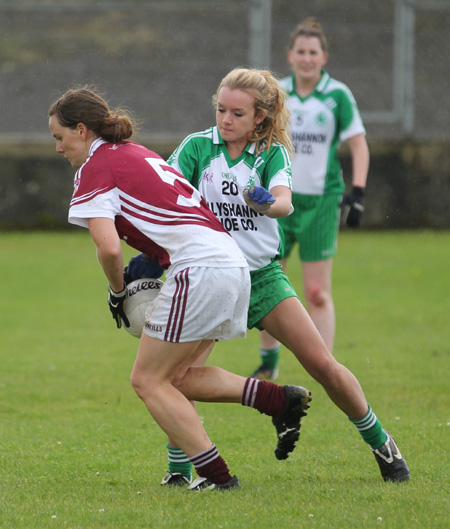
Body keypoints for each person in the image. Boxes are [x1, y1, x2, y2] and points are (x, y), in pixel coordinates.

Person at [48, 87, 312, 492]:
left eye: (59, 137)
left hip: (200, 270)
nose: (57, 148)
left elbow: (108, 247)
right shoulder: (138, 153)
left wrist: (119, 291)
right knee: (177, 377)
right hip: (230, 263)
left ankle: (217, 477)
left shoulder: (94, 167)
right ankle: (277, 400)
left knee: (147, 381)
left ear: (81, 130)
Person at [163, 67, 409, 484]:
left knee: (322, 365)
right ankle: (180, 470)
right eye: (221, 110)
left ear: (259, 117)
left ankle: (382, 443)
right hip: (211, 279)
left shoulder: (271, 153)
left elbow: (283, 203)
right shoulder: (196, 148)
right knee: (174, 379)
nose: (225, 119)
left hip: (261, 278)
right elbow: (167, 197)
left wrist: (264, 201)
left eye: (237, 114)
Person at [253, 17, 370, 381]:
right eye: (300, 52)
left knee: (317, 292)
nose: (306, 58)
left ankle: (326, 370)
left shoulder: (337, 95)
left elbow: (358, 144)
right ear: (290, 56)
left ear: (323, 57)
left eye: (313, 52)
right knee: (273, 283)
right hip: (278, 200)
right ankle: (268, 362)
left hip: (322, 201)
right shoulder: (277, 94)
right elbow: (258, 141)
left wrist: (359, 192)